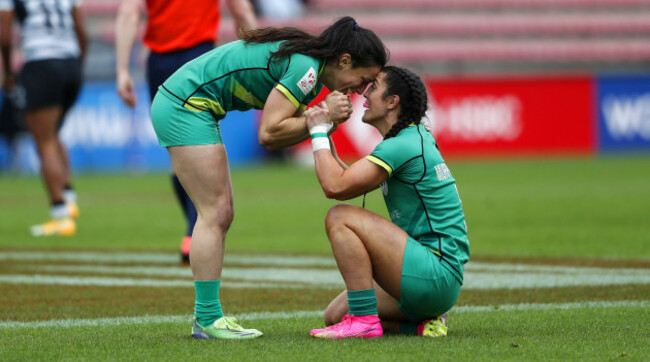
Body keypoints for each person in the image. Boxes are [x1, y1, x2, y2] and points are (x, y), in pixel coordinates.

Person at [150, 16, 388, 339]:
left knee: (221, 213)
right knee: (215, 213)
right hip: (185, 106)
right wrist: (323, 117)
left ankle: (208, 318)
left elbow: (290, 132)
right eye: (364, 79)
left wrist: (323, 129)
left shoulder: (312, 71)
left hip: (186, 102)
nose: (362, 90)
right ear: (345, 61)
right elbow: (269, 132)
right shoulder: (306, 68)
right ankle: (206, 320)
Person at [305, 65, 470, 339]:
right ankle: (420, 326)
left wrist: (318, 132)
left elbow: (335, 186)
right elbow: (345, 178)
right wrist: (325, 131)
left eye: (374, 88)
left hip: (434, 273)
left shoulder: (401, 145)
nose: (364, 95)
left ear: (393, 102)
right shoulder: (410, 139)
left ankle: (364, 321)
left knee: (339, 217)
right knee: (334, 314)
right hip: (439, 279)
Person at [115, 0, 257, 263]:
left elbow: (128, 13)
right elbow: (241, 10)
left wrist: (122, 69)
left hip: (159, 63)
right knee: (205, 144)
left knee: (178, 154)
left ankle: (192, 233)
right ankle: (196, 232)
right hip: (200, 58)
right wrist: (255, 54)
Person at [0, 0, 87, 236]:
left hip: (41, 64)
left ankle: (60, 213)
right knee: (53, 133)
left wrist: (8, 72)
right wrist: (78, 66)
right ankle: (69, 197)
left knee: (44, 140)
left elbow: (5, 36)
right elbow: (81, 30)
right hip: (71, 64)